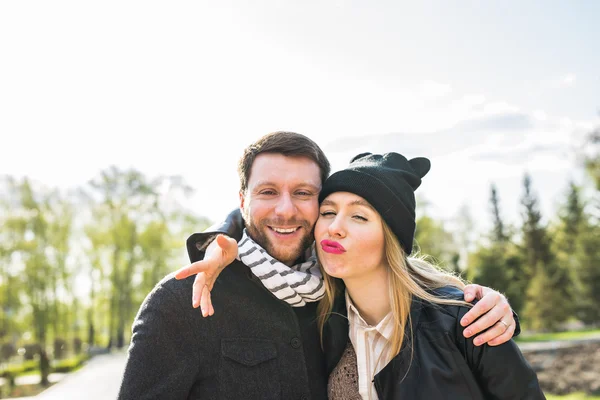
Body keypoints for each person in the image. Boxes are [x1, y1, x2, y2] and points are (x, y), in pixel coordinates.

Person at [118, 132, 519, 400]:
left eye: (304, 193)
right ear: (242, 202)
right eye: (268, 192)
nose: (285, 209)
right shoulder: (182, 301)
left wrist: (492, 305)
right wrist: (212, 240)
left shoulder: (336, 293)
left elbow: (406, 283)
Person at [314, 152, 543, 399]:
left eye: (359, 216)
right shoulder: (319, 325)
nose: (334, 227)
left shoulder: (468, 321)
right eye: (327, 212)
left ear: (393, 239)